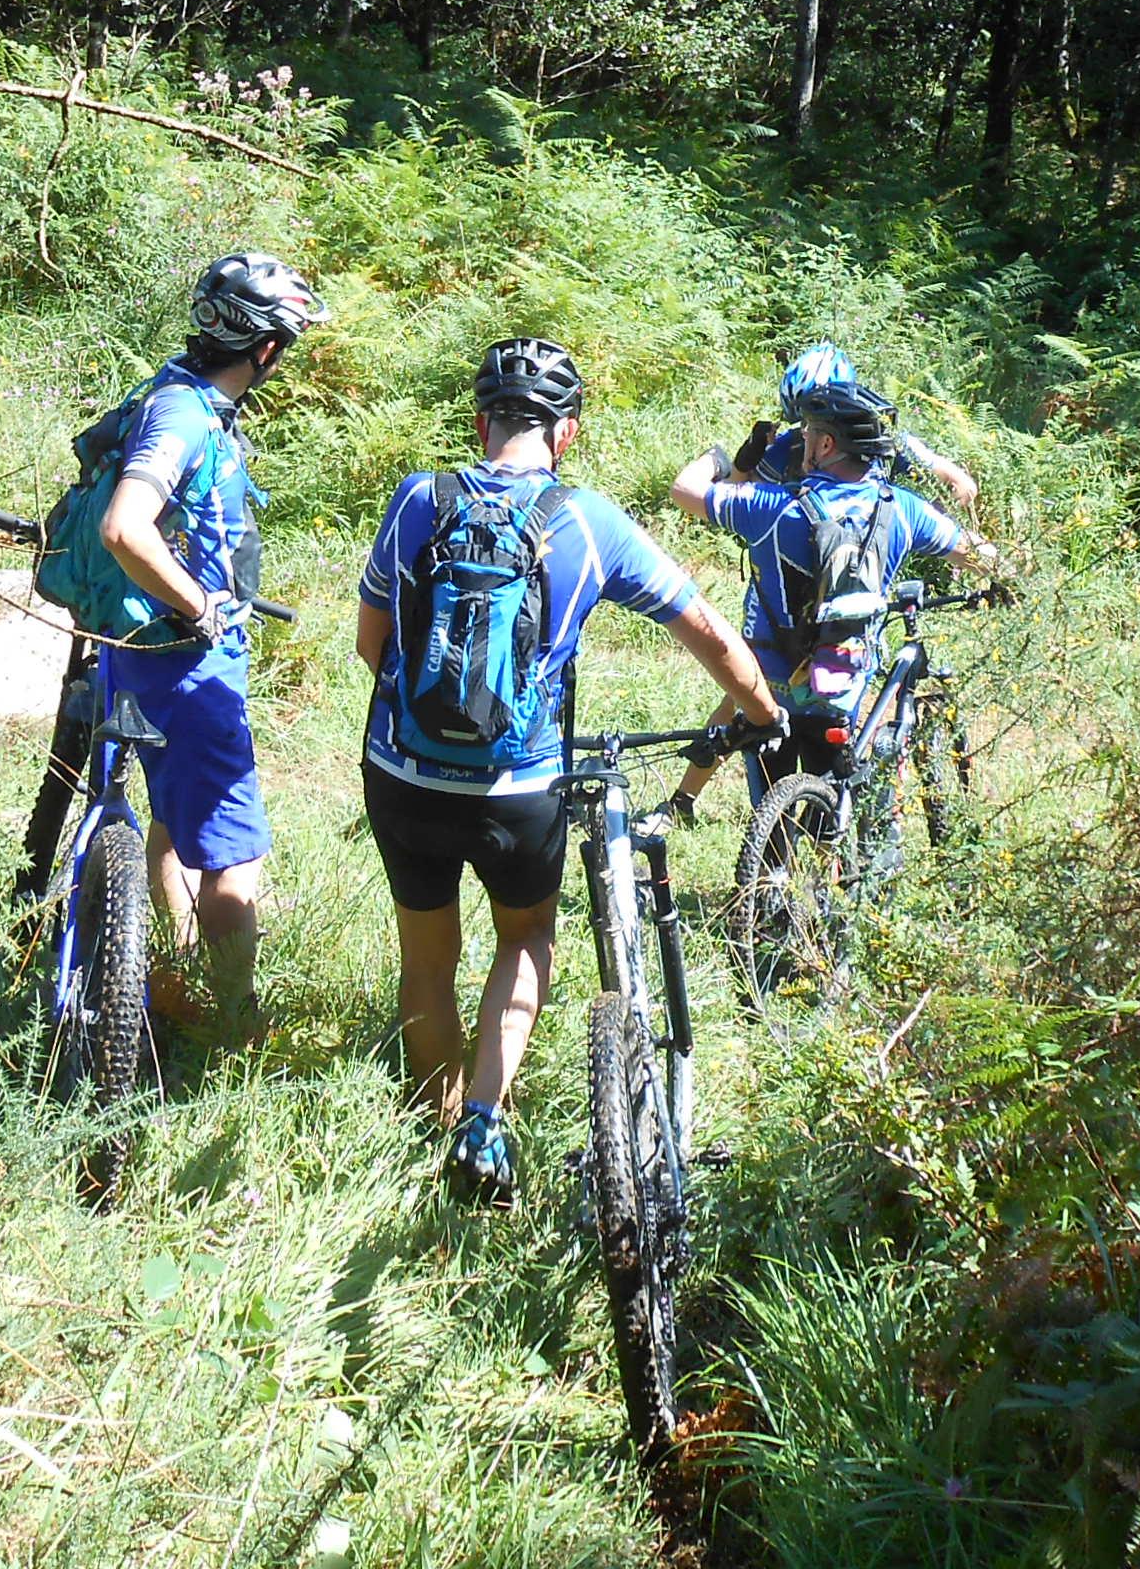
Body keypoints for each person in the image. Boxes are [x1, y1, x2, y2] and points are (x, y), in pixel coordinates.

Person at [355, 337, 782, 1206]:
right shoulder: (588, 521)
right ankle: (483, 1122)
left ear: (481, 423)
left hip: (403, 775)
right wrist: (764, 711)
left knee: (426, 959)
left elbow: (372, 645)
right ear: (568, 432)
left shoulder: (417, 499)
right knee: (524, 938)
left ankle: (433, 1122)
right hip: (519, 790)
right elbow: (705, 627)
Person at [94, 250, 323, 1040]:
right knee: (234, 856)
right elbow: (124, 527)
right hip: (184, 661)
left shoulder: (174, 390)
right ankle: (234, 1022)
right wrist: (198, 607)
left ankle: (174, 966)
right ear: (266, 348)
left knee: (170, 811)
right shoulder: (187, 416)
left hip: (138, 645)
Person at [661, 363, 992, 827]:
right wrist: (1014, 580)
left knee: (770, 808)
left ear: (827, 445)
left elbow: (684, 491)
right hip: (842, 683)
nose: (803, 438)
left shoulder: (772, 508)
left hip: (768, 685)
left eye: (810, 431)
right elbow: (980, 554)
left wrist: (717, 459)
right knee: (832, 805)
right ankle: (832, 852)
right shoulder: (904, 510)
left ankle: (766, 853)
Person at [735, 342, 981, 514]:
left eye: (814, 420)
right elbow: (735, 496)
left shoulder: (888, 442)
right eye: (803, 421)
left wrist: (914, 530)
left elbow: (963, 487)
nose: (806, 432)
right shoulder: (791, 445)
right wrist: (748, 456)